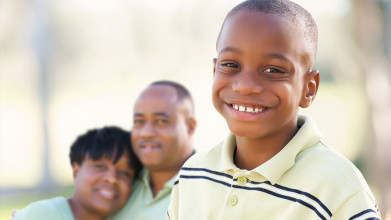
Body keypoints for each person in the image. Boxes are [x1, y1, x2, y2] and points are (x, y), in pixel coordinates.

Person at [167, 0, 381, 219]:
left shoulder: (339, 187)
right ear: (215, 70)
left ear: (309, 89)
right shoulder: (192, 174)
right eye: (231, 65)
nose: (246, 85)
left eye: (273, 70)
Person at [13, 126, 142, 220]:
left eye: (125, 173)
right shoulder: (45, 214)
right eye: (100, 166)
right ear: (76, 171)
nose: (112, 178)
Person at [110, 81, 196, 220]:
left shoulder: (212, 187)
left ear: (190, 126)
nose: (146, 133)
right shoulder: (118, 183)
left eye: (161, 121)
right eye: (139, 121)